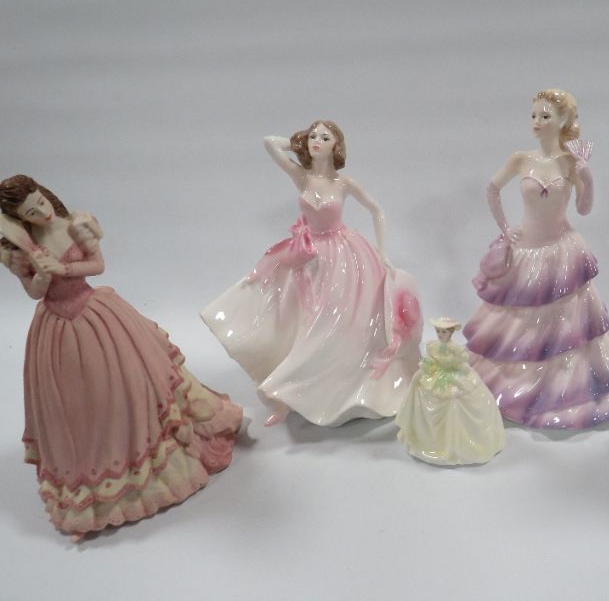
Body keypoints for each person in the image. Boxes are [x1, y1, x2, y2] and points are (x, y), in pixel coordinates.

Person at [0, 175, 242, 540]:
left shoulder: (76, 224)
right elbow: (33, 292)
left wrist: (64, 269)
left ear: (46, 194)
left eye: (40, 201)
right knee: (77, 402)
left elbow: (97, 265)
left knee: (126, 381)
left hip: (95, 315)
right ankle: (93, 470)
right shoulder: (24, 248)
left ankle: (146, 457)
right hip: (57, 329)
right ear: (21, 219)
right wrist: (41, 275)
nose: (40, 212)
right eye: (30, 212)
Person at [202, 121, 422, 427]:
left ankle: (331, 386)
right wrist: (299, 142)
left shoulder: (344, 184)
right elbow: (269, 143)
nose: (317, 140)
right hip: (307, 255)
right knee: (297, 319)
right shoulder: (301, 176)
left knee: (333, 321)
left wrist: (383, 251)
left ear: (336, 145)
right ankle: (286, 394)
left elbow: (377, 211)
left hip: (342, 254)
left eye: (325, 137)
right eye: (314, 136)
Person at [463, 90, 609, 428]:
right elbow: (492, 188)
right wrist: (505, 228)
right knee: (520, 323)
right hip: (527, 249)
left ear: (563, 121)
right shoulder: (520, 159)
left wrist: (587, 177)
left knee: (566, 325)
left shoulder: (570, 162)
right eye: (534, 115)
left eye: (545, 116)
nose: (537, 122)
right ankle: (518, 385)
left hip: (560, 250)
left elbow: (584, 209)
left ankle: (561, 390)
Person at [396, 317, 505, 465]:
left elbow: (461, 365)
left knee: (455, 396)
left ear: (451, 332)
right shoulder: (433, 346)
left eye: (444, 332)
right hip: (437, 374)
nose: (440, 334)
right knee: (417, 380)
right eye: (438, 331)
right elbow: (432, 361)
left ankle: (458, 444)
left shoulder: (456, 349)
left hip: (453, 375)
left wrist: (459, 371)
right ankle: (421, 436)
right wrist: (427, 365)